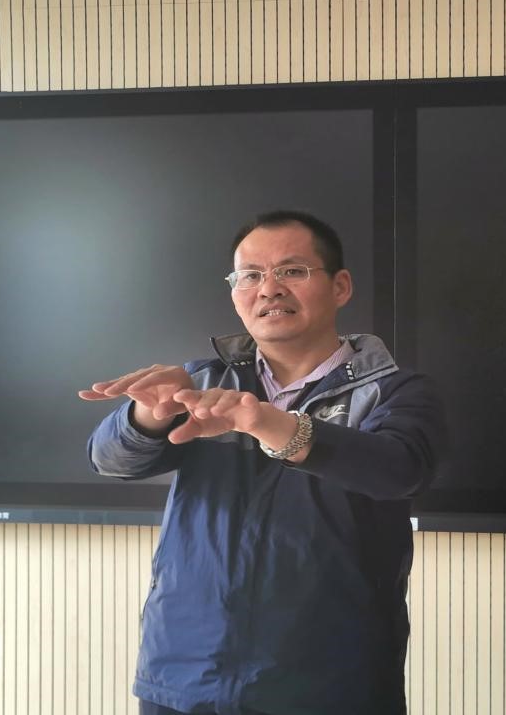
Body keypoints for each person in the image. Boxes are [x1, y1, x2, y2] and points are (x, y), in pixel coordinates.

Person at [79, 210, 448, 715]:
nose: (269, 288)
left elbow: (400, 470)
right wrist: (148, 415)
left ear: (340, 286)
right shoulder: (201, 383)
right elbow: (109, 460)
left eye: (292, 271)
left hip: (330, 684)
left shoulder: (396, 390)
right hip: (184, 675)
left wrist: (271, 424)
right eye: (250, 275)